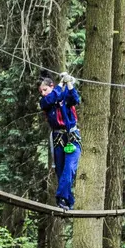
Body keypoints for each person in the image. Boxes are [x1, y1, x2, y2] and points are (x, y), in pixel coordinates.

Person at [39, 72, 81, 211]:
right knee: (61, 171)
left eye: (45, 90)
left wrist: (69, 83)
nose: (43, 93)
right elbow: (50, 99)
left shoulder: (64, 97)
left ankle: (61, 197)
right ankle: (68, 201)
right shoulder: (45, 102)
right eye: (41, 91)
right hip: (58, 138)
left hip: (72, 137)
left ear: (51, 86)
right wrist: (60, 84)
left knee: (69, 169)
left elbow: (74, 98)